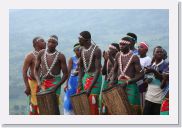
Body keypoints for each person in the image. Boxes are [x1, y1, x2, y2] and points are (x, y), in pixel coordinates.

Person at [34, 35, 68, 114]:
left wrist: (56, 86)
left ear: (57, 44)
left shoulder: (60, 56)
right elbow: (35, 70)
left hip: (55, 83)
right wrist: (39, 82)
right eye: (49, 41)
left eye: (53, 42)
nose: (50, 44)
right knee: (44, 106)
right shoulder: (41, 53)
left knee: (53, 106)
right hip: (43, 82)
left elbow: (66, 74)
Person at [110, 37, 143, 114]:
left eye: (123, 44)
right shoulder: (118, 55)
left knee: (131, 110)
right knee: (119, 109)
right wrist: (112, 81)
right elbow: (115, 70)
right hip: (119, 85)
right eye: (120, 44)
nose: (121, 46)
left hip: (131, 86)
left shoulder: (134, 57)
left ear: (129, 45)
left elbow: (141, 74)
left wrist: (128, 82)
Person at [77, 31, 102, 115]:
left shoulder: (97, 50)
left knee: (92, 101)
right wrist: (80, 81)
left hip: (95, 77)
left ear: (87, 40)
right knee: (82, 101)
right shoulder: (81, 49)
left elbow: (98, 70)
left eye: (80, 39)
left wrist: (90, 88)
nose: (78, 41)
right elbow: (81, 67)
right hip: (86, 76)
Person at [22, 36, 46, 115]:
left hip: (45, 83)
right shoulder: (30, 56)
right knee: (35, 105)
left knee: (45, 104)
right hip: (33, 83)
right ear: (35, 44)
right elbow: (24, 71)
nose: (45, 42)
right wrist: (27, 87)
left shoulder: (48, 54)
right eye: (42, 41)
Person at [143, 46, 169, 115]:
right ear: (153, 54)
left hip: (159, 99)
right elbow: (145, 80)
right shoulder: (151, 65)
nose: (160, 53)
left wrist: (153, 71)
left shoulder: (166, 65)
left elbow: (164, 78)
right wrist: (146, 80)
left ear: (163, 54)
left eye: (161, 52)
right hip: (149, 97)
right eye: (157, 52)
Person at [101, 43, 120, 114]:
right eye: (108, 48)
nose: (108, 50)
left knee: (112, 105)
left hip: (114, 84)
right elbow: (103, 73)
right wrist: (105, 60)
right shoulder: (108, 59)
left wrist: (110, 58)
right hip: (106, 83)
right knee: (104, 104)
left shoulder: (119, 59)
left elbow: (117, 68)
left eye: (111, 49)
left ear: (116, 50)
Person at [63, 43, 80, 115]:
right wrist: (66, 84)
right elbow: (68, 72)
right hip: (72, 81)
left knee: (79, 97)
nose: (79, 51)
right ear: (74, 51)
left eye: (80, 50)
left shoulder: (85, 58)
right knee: (70, 98)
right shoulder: (72, 59)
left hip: (81, 80)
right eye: (77, 50)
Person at [137, 41, 152, 110]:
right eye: (138, 47)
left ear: (146, 50)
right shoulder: (136, 58)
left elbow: (148, 74)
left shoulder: (148, 59)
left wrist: (143, 84)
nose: (139, 48)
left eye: (141, 47)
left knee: (142, 104)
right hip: (136, 83)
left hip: (142, 84)